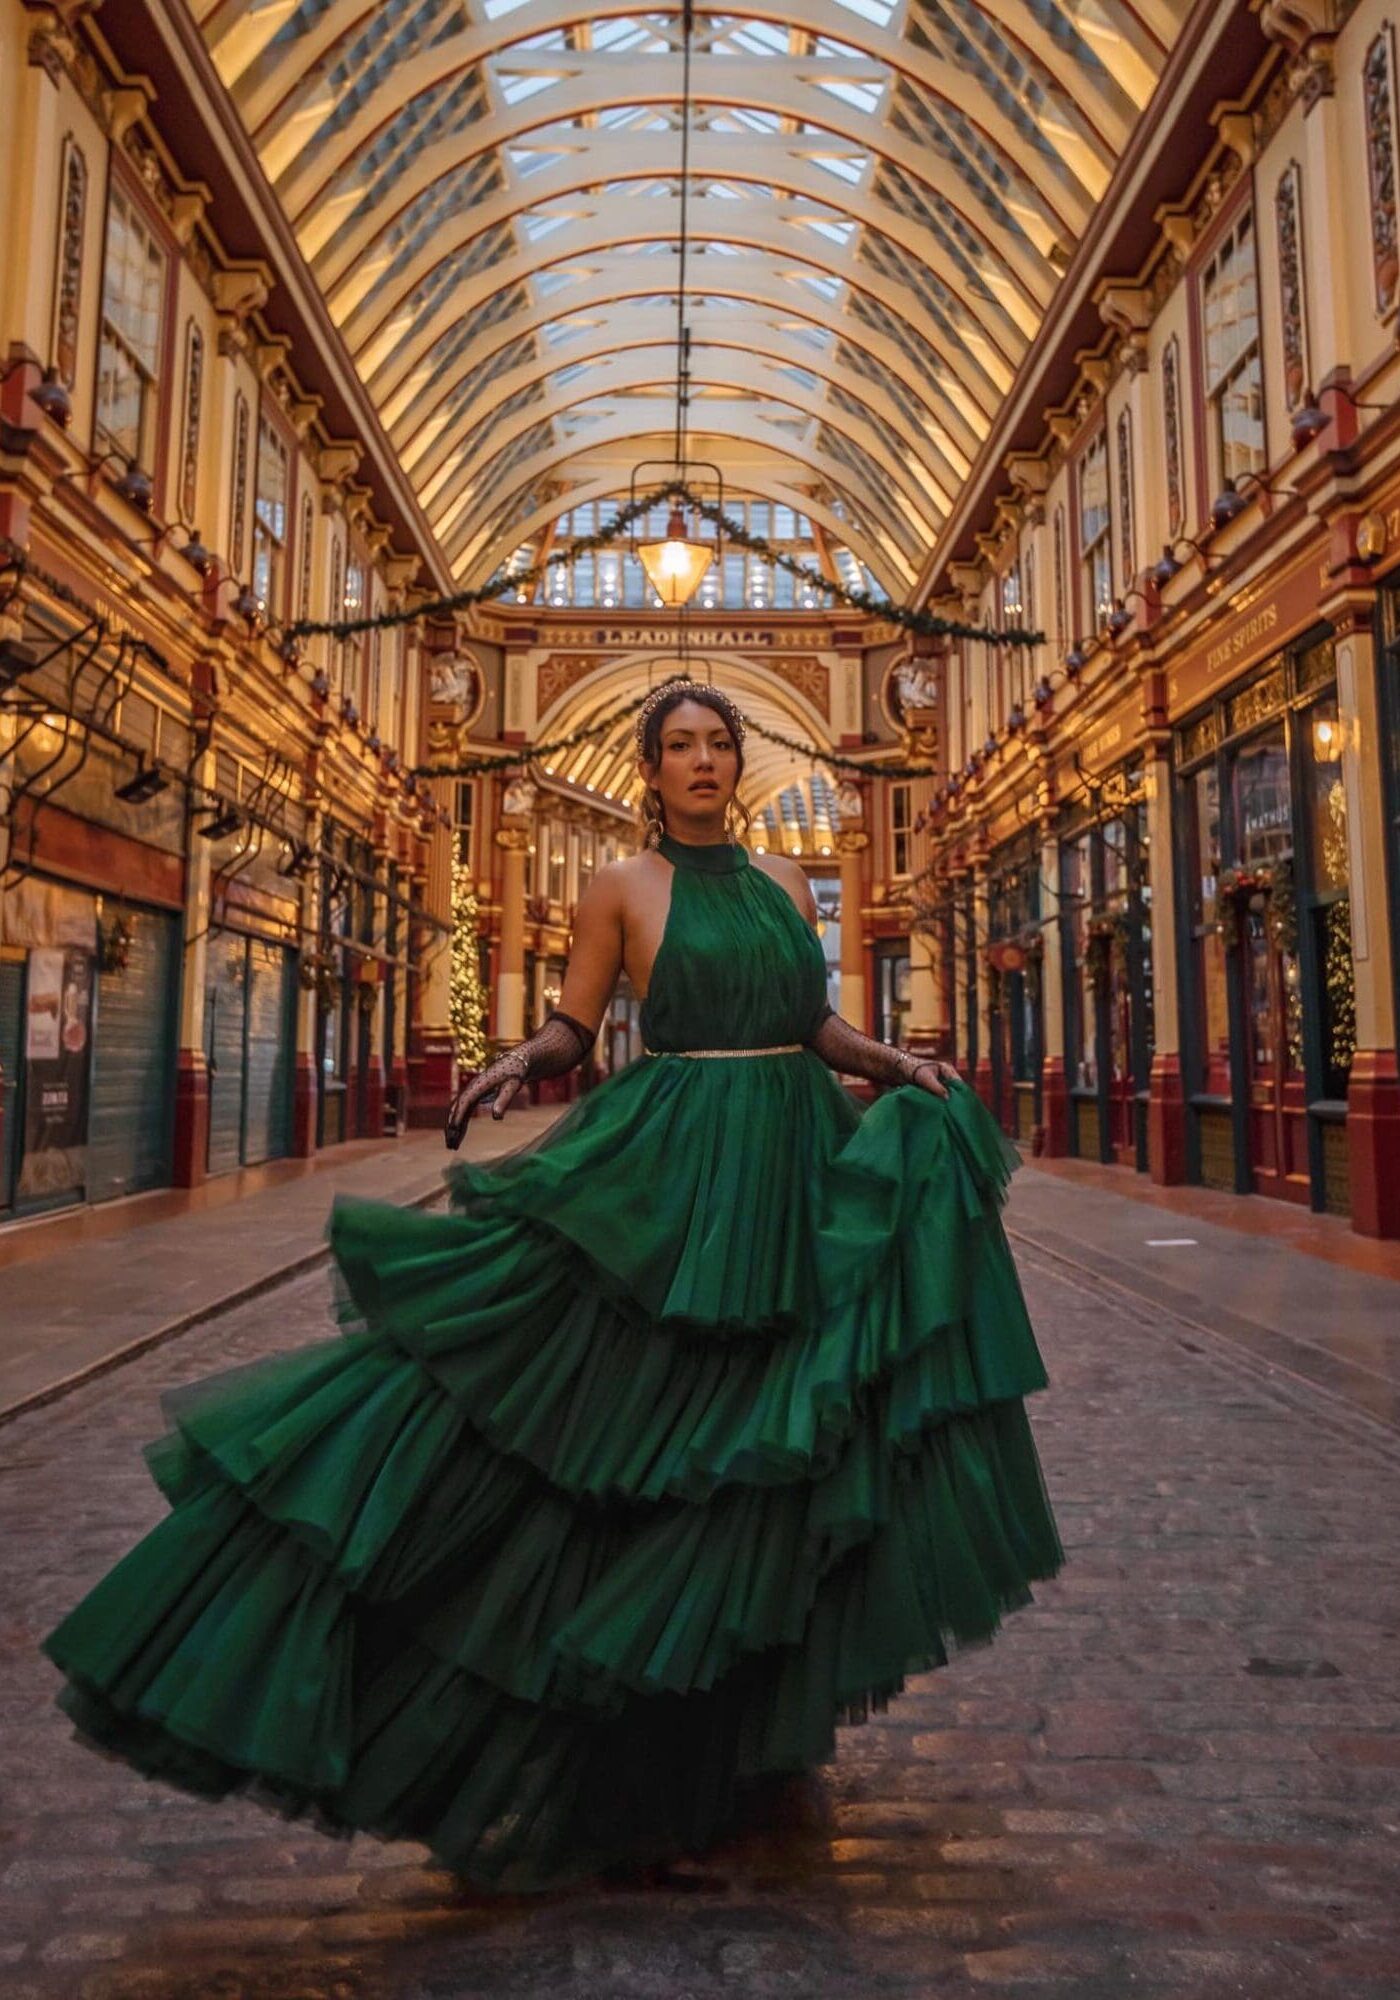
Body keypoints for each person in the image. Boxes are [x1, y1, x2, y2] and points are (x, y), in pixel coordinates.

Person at [39, 677, 1063, 1894]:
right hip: (676, 1173)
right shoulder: (618, 887)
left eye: (717, 742)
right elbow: (577, 1027)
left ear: (738, 760)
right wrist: (515, 1062)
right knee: (649, 1442)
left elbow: (810, 1026)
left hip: (788, 1170)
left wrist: (897, 1064)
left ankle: (737, 1746)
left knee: (764, 1452)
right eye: (677, 742)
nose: (701, 759)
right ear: (649, 765)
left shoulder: (790, 885)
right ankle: (625, 1765)